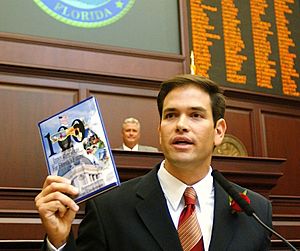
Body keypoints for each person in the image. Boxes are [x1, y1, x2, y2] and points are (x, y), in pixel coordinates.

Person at [35, 74, 272, 251]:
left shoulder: (256, 211)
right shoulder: (109, 209)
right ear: (160, 131)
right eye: (170, 115)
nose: (181, 124)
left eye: (195, 115)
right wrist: (59, 242)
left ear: (218, 131)